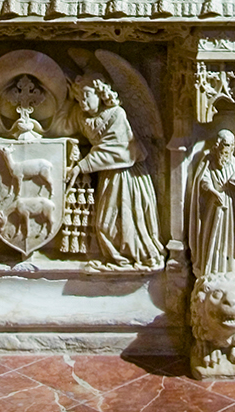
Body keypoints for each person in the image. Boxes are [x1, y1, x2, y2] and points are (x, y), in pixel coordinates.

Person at [69, 78, 164, 269]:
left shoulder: (116, 115)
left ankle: (134, 258)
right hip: (109, 176)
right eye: (79, 99)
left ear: (101, 94)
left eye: (87, 96)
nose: (83, 103)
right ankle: (121, 259)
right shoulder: (83, 116)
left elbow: (116, 150)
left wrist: (82, 165)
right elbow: (65, 127)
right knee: (105, 225)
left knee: (120, 224)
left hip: (127, 176)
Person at [187, 130, 235, 278]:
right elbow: (203, 180)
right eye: (225, 145)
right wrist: (213, 191)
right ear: (218, 145)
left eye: (231, 146)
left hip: (232, 205)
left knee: (231, 237)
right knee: (214, 236)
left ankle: (233, 269)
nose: (228, 149)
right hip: (215, 205)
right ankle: (212, 270)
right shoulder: (208, 161)